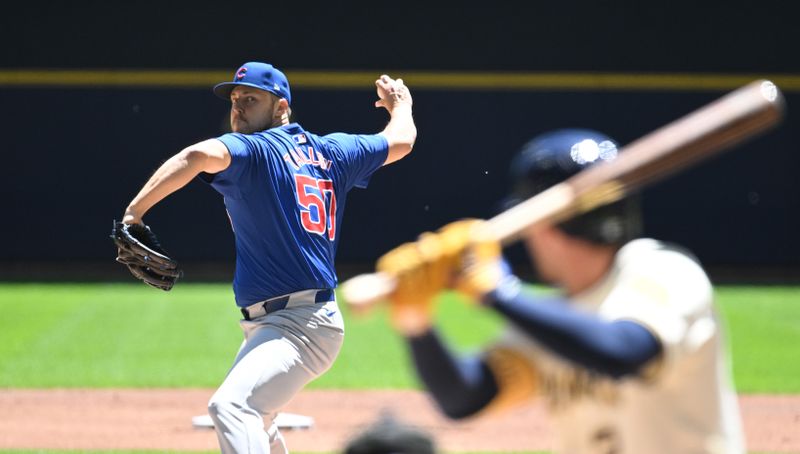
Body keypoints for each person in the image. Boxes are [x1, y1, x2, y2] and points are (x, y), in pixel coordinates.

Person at [375, 129, 745, 454]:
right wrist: (416, 319)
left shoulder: (662, 270)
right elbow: (464, 398)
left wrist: (497, 292)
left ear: (543, 226)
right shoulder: (556, 318)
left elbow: (623, 353)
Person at [119, 61, 416, 453]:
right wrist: (401, 106)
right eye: (235, 99)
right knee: (257, 420)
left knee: (231, 407)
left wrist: (133, 214)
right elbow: (401, 141)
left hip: (300, 325)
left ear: (281, 108)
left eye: (251, 99)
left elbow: (195, 155)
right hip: (286, 324)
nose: (238, 107)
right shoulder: (333, 151)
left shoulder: (255, 150)